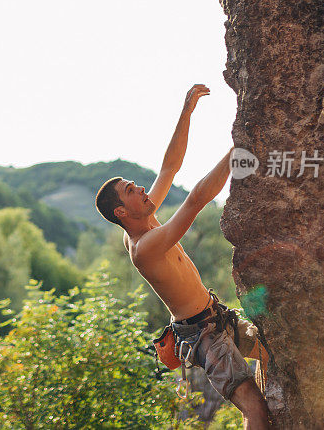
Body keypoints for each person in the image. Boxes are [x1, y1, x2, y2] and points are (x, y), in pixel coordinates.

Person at [94, 84, 271, 430]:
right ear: (121, 211)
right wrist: (238, 148)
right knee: (255, 410)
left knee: (270, 352)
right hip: (203, 337)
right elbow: (193, 202)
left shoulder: (144, 217)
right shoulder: (144, 247)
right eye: (132, 191)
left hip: (217, 316)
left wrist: (186, 111)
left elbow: (169, 169)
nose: (142, 189)